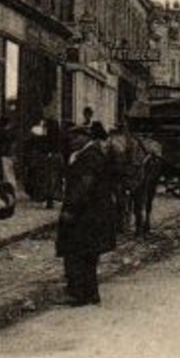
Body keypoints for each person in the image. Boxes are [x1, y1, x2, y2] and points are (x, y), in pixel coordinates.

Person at [57, 124, 119, 306]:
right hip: (93, 212)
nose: (72, 142)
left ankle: (78, 293)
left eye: (76, 138)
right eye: (71, 139)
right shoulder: (89, 154)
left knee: (76, 252)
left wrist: (70, 209)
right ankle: (90, 293)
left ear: (86, 137)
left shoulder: (90, 156)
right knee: (88, 253)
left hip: (86, 213)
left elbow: (85, 184)